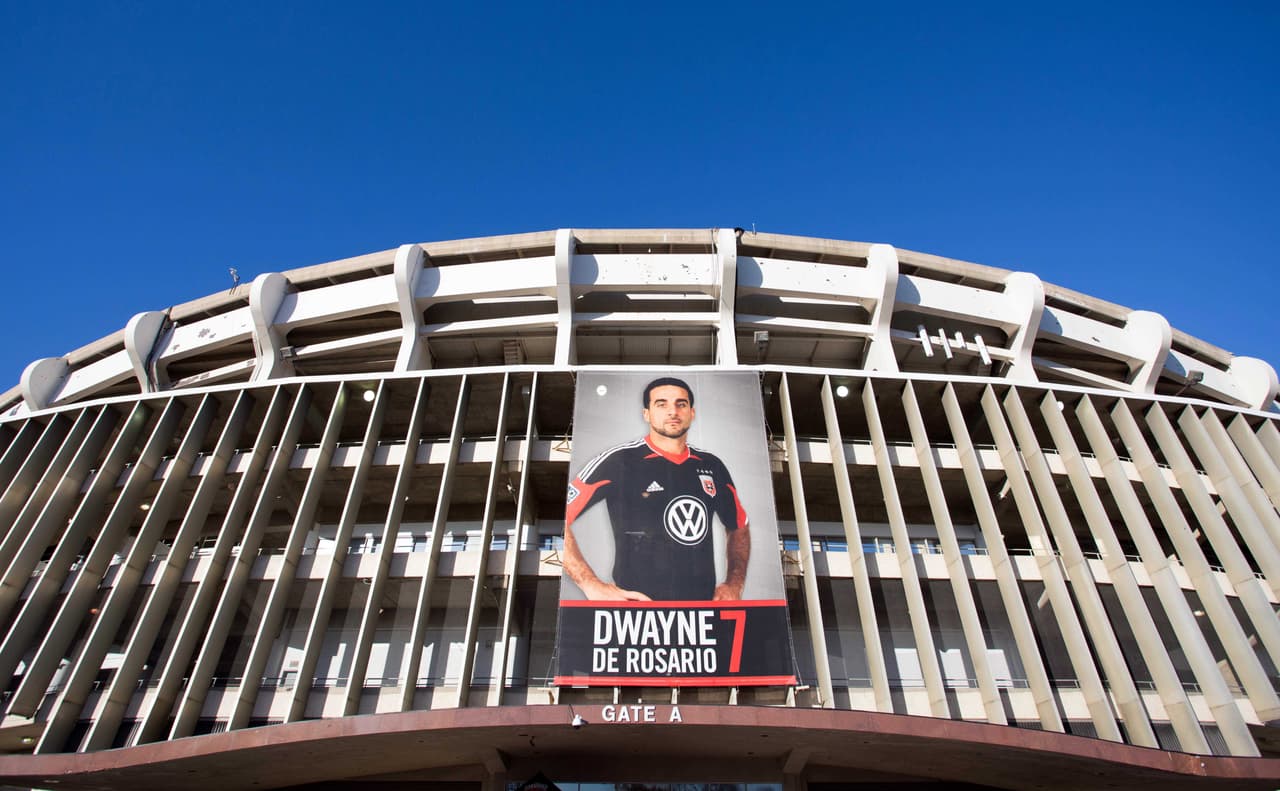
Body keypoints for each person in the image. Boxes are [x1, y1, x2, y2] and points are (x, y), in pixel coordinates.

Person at [562, 377, 750, 601]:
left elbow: (739, 525)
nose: (673, 411)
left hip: (701, 616)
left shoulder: (712, 465)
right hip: (636, 615)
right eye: (661, 404)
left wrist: (734, 584)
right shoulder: (619, 460)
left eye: (681, 404)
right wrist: (590, 584)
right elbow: (559, 517)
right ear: (647, 414)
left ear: (692, 412)